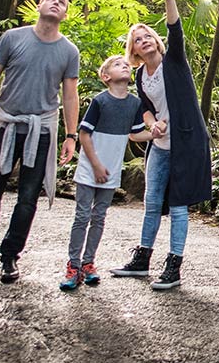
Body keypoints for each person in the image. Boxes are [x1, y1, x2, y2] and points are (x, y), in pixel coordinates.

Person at [0, 0, 80, 283]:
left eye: (62, 2)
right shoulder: (13, 38)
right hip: (7, 124)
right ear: (39, 6)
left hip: (41, 130)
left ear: (65, 14)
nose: (56, 2)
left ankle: (10, 256)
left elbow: (70, 95)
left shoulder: (69, 51)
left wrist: (70, 135)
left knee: (27, 198)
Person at [110, 0, 211, 290]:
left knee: (178, 205)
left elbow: (175, 29)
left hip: (186, 142)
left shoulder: (174, 61)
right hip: (160, 145)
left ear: (156, 40)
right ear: (135, 51)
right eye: (139, 40)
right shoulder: (141, 76)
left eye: (148, 36)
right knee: (152, 201)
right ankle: (142, 259)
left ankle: (173, 267)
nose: (145, 41)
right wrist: (152, 124)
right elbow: (145, 107)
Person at [61, 54, 161, 291]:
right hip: (90, 169)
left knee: (99, 217)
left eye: (126, 64)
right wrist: (96, 165)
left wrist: (155, 133)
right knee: (82, 216)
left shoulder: (134, 103)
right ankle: (73, 265)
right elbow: (84, 135)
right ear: (106, 76)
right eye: (117, 65)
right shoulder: (100, 101)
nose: (124, 66)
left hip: (111, 171)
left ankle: (88, 263)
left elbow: (134, 134)